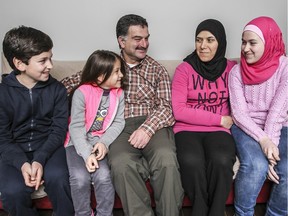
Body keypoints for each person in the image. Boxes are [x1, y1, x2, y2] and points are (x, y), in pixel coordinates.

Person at [61, 14, 184, 216]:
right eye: (137, 39)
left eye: (146, 38)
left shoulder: (157, 70)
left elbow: (165, 107)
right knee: (120, 164)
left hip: (152, 125)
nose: (144, 44)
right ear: (121, 40)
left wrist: (147, 128)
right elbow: (71, 84)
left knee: (166, 160)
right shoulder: (108, 66)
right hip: (117, 127)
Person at [0, 26, 74, 216]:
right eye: (43, 60)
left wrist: (40, 160)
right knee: (12, 192)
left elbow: (58, 130)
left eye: (50, 58)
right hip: (14, 150)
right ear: (20, 63)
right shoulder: (3, 93)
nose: (50, 65)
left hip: (49, 146)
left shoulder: (57, 90)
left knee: (59, 179)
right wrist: (23, 164)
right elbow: (3, 138)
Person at [171, 19, 237, 216]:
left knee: (222, 160)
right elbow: (179, 110)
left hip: (218, 132)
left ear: (221, 42)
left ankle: (216, 211)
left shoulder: (232, 69)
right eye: (199, 40)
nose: (203, 46)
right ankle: (200, 209)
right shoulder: (184, 69)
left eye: (210, 40)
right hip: (186, 128)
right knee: (191, 161)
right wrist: (218, 119)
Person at [229, 16, 287, 216]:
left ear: (269, 42)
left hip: (280, 126)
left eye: (252, 42)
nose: (245, 48)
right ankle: (242, 213)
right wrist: (264, 141)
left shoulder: (285, 68)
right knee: (255, 165)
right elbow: (239, 114)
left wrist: (272, 155)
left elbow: (277, 113)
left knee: (286, 169)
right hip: (246, 126)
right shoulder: (236, 72)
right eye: (243, 42)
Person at [65, 50, 126, 216]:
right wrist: (86, 154)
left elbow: (119, 122)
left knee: (104, 176)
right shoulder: (81, 93)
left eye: (120, 70)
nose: (121, 75)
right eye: (116, 71)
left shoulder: (119, 94)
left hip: (100, 142)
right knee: (79, 178)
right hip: (76, 142)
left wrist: (104, 143)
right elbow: (76, 127)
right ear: (100, 76)